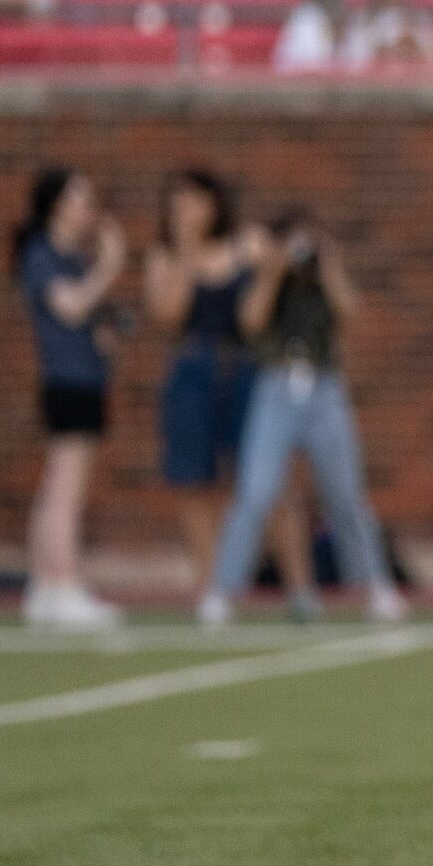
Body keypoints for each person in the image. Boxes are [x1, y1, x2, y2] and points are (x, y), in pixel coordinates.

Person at [199, 206, 404, 626]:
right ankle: (222, 591)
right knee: (256, 491)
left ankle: (375, 586)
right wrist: (273, 270)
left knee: (345, 494)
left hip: (324, 389)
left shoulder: (322, 280)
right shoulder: (268, 279)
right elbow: (251, 321)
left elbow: (350, 313)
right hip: (275, 388)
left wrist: (327, 266)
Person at [144, 171, 310, 620]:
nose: (187, 214)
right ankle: (210, 590)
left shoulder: (244, 246)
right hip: (193, 369)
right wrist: (185, 251)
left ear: (214, 204)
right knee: (195, 483)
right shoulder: (164, 257)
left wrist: (274, 264)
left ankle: (300, 589)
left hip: (246, 370)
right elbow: (169, 316)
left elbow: (287, 277)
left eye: (194, 203)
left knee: (268, 480)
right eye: (177, 206)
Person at [14, 168, 127, 629]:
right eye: (80, 200)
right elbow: (71, 305)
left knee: (59, 485)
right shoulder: (41, 255)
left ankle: (45, 584)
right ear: (57, 206)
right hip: (66, 382)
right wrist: (111, 264)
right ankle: (61, 583)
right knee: (66, 488)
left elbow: (89, 320)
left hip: (87, 380)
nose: (89, 210)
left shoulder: (74, 258)